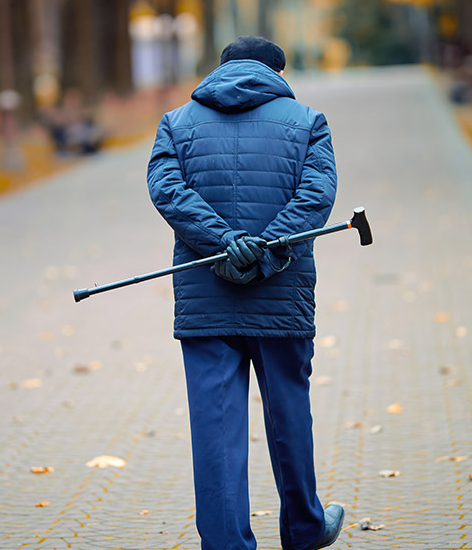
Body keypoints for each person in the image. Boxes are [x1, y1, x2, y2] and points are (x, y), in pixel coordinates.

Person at [147, 36, 343, 550]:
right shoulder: (307, 122)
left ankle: (227, 543)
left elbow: (167, 190)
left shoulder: (176, 123)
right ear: (277, 72)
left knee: (215, 431)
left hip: (205, 299)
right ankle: (304, 530)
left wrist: (225, 244)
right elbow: (316, 198)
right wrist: (269, 252)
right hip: (282, 298)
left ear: (222, 69)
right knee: (290, 416)